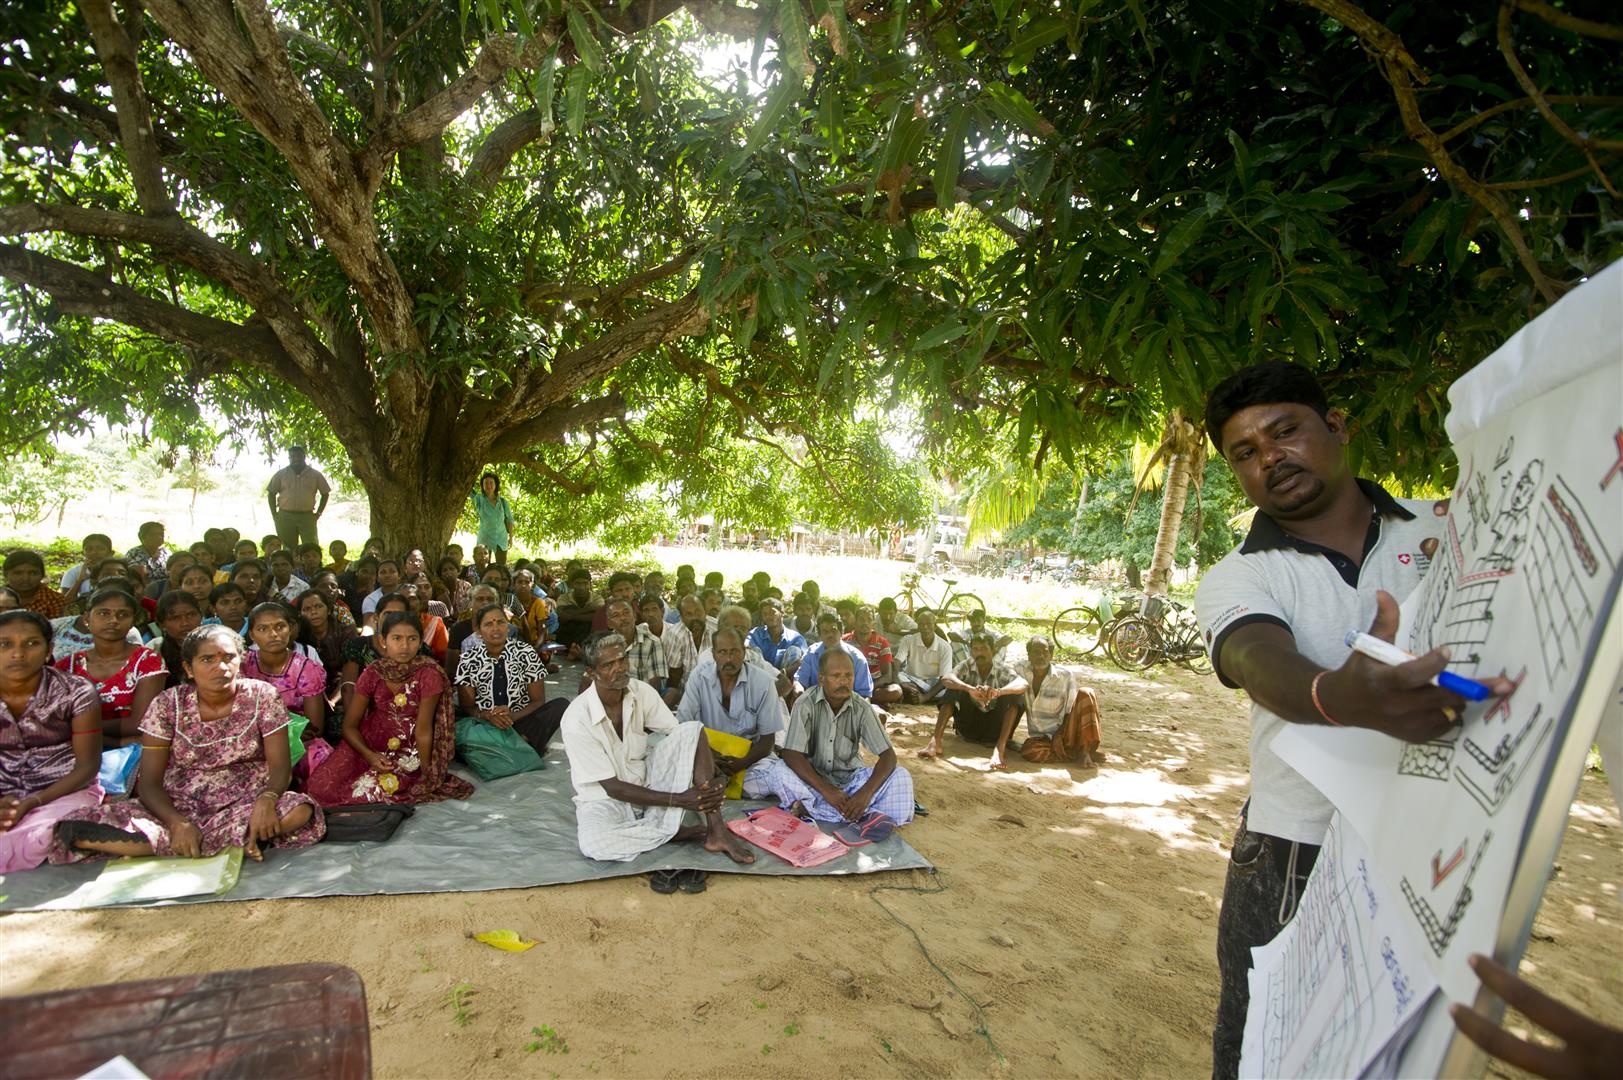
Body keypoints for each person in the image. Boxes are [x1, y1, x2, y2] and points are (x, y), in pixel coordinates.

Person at [1193, 361, 1515, 1079]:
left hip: (1444, 843)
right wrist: (1333, 697)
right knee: (1262, 1050)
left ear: (1333, 427)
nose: (1269, 457)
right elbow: (1251, 654)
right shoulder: (1240, 576)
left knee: (1404, 1049)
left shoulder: (1455, 525)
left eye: (1284, 432)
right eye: (1244, 452)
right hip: (1292, 853)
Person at [52, 625, 325, 863]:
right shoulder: (168, 704)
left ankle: (175, 844)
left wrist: (268, 799)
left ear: (240, 661)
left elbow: (279, 766)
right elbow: (149, 783)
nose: (220, 667)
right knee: (77, 825)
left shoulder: (263, 695)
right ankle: (226, 840)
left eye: (228, 657)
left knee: (299, 810)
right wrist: (178, 823)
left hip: (244, 802)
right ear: (188, 668)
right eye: (207, 659)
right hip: (179, 803)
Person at [558, 632, 754, 890]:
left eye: (622, 659)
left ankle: (715, 830)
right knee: (594, 845)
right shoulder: (576, 719)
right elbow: (613, 788)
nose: (619, 668)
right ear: (591, 673)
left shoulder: (641, 692)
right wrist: (680, 800)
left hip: (648, 782)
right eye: (608, 665)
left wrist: (712, 770)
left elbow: (680, 735)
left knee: (692, 729)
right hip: (605, 800)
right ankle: (679, 832)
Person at [306, 611, 474, 805]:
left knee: (365, 793)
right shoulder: (373, 672)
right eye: (397, 638)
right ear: (383, 640)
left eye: (412, 639)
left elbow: (424, 729)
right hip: (367, 745)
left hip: (407, 751)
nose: (404, 646)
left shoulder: (428, 674)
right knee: (319, 788)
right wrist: (369, 755)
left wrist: (429, 773)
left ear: (420, 643)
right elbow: (349, 726)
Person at [0, 610, 103, 872]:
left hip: (62, 791)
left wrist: (33, 802)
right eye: (5, 644)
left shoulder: (76, 691)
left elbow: (87, 767)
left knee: (45, 835)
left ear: (49, 651)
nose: (18, 654)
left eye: (32, 643)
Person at [766, 648, 914, 826]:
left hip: (852, 783)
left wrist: (865, 793)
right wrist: (827, 791)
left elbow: (888, 756)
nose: (844, 681)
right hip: (814, 782)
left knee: (901, 776)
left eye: (848, 675)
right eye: (836, 676)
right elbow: (791, 754)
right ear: (821, 678)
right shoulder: (805, 703)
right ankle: (862, 816)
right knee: (778, 771)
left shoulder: (862, 708)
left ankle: (819, 811)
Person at [53, 586, 169, 792]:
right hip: (77, 751)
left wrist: (79, 730)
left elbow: (139, 723)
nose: (113, 620)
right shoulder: (67, 666)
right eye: (104, 613)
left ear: (133, 621)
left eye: (122, 614)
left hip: (131, 752)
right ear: (87, 619)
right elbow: (54, 722)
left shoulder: (147, 661)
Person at [453, 604, 565, 772]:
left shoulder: (526, 652)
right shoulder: (469, 659)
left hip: (520, 722)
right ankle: (521, 747)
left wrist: (511, 717)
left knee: (560, 705)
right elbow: (467, 707)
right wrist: (489, 716)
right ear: (479, 631)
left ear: (508, 626)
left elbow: (538, 701)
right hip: (485, 725)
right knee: (452, 720)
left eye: (500, 622)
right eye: (488, 624)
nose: (495, 628)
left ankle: (505, 748)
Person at [676, 626, 782, 799]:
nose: (729, 659)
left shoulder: (763, 682)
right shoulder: (699, 676)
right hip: (706, 753)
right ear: (713, 654)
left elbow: (768, 740)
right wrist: (710, 756)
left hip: (750, 760)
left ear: (744, 652)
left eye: (734, 652)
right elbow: (684, 725)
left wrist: (741, 763)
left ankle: (714, 788)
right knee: (676, 765)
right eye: (723, 652)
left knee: (777, 776)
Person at [920, 633, 1027, 769]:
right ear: (971, 652)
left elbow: (1023, 684)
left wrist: (998, 692)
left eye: (983, 649)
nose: (979, 653)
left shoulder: (1002, 669)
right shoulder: (966, 665)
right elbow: (946, 678)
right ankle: (935, 742)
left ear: (993, 651)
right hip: (968, 728)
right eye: (975, 649)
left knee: (1016, 695)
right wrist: (968, 689)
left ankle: (999, 749)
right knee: (953, 688)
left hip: (994, 731)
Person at [241, 602, 326, 741]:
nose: (273, 634)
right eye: (262, 629)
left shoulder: (307, 669)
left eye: (280, 626)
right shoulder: (242, 664)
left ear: (290, 629)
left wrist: (289, 734)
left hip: (296, 740)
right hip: (250, 738)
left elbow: (315, 728)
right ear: (251, 634)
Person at [1012, 636, 1102, 766]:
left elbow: (1069, 710)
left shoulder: (1065, 676)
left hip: (1066, 731)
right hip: (1044, 738)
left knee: (1086, 693)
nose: (1041, 656)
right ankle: (1071, 754)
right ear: (1029, 655)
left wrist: (1059, 735)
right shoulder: (1020, 670)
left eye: (1045, 652)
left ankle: (1084, 752)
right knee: (1029, 751)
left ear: (1051, 655)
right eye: (1036, 652)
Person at [580, 598, 667, 696]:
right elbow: (587, 680)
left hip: (640, 697)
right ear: (609, 623)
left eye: (626, 612)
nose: (622, 618)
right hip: (610, 697)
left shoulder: (652, 642)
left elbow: (655, 683)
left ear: (634, 616)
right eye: (616, 615)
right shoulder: (603, 644)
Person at [296, 588, 355, 706]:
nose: (313, 612)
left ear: (328, 610)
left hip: (342, 689)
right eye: (307, 609)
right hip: (308, 692)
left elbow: (350, 673)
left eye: (318, 606)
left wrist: (332, 701)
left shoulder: (345, 632)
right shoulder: (298, 636)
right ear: (300, 614)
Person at [266, 445, 331, 550]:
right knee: (287, 549)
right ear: (289, 458)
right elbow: (271, 493)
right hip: (285, 516)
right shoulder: (281, 474)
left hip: (307, 516)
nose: (296, 459)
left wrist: (318, 513)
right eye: (292, 457)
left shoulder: (315, 474)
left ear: (304, 457)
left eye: (298, 456)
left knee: (311, 547)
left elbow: (325, 493)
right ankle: (289, 566)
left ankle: (313, 566)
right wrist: (275, 514)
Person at [796, 613, 873, 699]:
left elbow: (865, 695)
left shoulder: (857, 658)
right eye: (825, 632)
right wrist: (799, 694)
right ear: (820, 635)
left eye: (833, 631)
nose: (830, 635)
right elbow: (800, 680)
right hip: (815, 704)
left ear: (841, 633)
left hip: (848, 705)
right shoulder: (812, 653)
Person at [894, 608, 954, 704]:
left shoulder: (945, 647)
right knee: (897, 674)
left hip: (933, 685)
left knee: (949, 689)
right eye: (921, 624)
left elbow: (944, 679)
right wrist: (899, 682)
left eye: (929, 624)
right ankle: (915, 693)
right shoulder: (908, 640)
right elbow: (897, 662)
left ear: (935, 626)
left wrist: (924, 698)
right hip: (911, 681)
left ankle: (918, 696)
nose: (925, 627)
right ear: (917, 625)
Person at [845, 605, 902, 705]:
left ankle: (863, 699)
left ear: (874, 623)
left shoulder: (882, 643)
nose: (865, 623)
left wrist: (867, 688)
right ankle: (872, 702)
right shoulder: (845, 641)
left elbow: (887, 676)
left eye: (869, 619)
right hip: (851, 685)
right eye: (861, 619)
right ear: (855, 622)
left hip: (874, 686)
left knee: (896, 691)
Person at [148, 591, 204, 690]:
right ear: (161, 625)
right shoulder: (154, 650)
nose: (185, 623)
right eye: (175, 618)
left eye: (191, 615)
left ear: (201, 616)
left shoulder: (217, 645)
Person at [662, 594, 714, 694]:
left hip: (714, 689)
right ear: (681, 617)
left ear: (705, 611)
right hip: (686, 692)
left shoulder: (717, 628)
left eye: (698, 612)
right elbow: (674, 673)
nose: (695, 617)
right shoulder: (675, 634)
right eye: (689, 614)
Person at [470, 471, 517, 566]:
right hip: (485, 538)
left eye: (491, 482)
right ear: (482, 486)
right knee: (483, 565)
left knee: (501, 566)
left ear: (496, 485)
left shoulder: (503, 502)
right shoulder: (479, 499)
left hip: (501, 539)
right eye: (486, 483)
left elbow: (509, 520)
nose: (489, 485)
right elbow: (469, 490)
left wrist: (510, 538)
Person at [748, 597, 806, 673]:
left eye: (772, 613)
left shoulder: (795, 638)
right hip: (760, 677)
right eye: (765, 614)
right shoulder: (755, 634)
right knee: (752, 651)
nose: (768, 616)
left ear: (782, 613)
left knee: (795, 650)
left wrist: (783, 674)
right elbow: (745, 649)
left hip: (786, 679)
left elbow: (803, 661)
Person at [554, 568, 601, 656]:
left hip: (587, 636)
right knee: (571, 611)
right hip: (567, 637)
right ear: (572, 585)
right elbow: (562, 618)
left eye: (585, 583)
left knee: (587, 624)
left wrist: (571, 615)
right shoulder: (564, 598)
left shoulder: (597, 598)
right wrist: (588, 609)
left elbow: (597, 617)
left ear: (590, 584)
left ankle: (579, 650)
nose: (581, 587)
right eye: (578, 583)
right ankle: (574, 649)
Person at [4, 550, 66, 618]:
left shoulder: (54, 599)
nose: (25, 579)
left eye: (33, 573)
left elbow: (58, 626)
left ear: (42, 575)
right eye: (18, 573)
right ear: (6, 574)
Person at [60, 533, 114, 603]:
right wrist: (80, 580)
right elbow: (64, 602)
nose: (94, 552)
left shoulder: (118, 571)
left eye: (101, 549)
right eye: (89, 549)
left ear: (111, 553)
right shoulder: (73, 572)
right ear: (83, 553)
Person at [360, 559, 403, 626]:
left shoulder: (408, 593)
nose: (387, 575)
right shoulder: (371, 599)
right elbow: (368, 626)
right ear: (377, 578)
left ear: (399, 576)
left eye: (392, 571)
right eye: (383, 572)